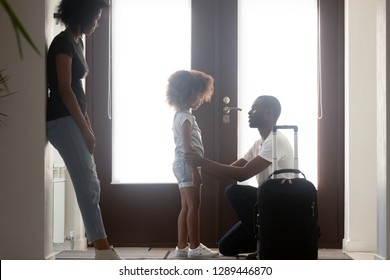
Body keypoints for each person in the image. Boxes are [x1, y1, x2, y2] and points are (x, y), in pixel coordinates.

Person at [46, 0, 122, 260]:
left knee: (92, 183)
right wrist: (84, 128)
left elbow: (78, 93)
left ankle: (102, 247)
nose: (98, 22)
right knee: (88, 184)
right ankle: (102, 249)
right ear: (83, 15)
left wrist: (88, 126)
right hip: (61, 120)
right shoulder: (62, 43)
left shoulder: (77, 42)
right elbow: (64, 89)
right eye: (96, 17)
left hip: (73, 119)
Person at [185, 95, 294, 257]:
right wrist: (197, 167)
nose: (249, 112)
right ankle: (266, 239)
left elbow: (243, 174)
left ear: (269, 113)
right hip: (265, 203)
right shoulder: (259, 143)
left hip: (279, 205)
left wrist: (201, 161)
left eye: (254, 108)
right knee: (226, 247)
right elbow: (230, 170)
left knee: (233, 191)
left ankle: (268, 244)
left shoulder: (276, 141)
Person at [166, 70, 219, 258]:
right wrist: (196, 171)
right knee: (194, 206)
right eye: (200, 96)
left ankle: (182, 247)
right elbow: (188, 148)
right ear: (190, 94)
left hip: (179, 164)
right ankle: (195, 247)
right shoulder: (187, 118)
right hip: (187, 164)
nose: (202, 100)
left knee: (186, 206)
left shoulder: (179, 116)